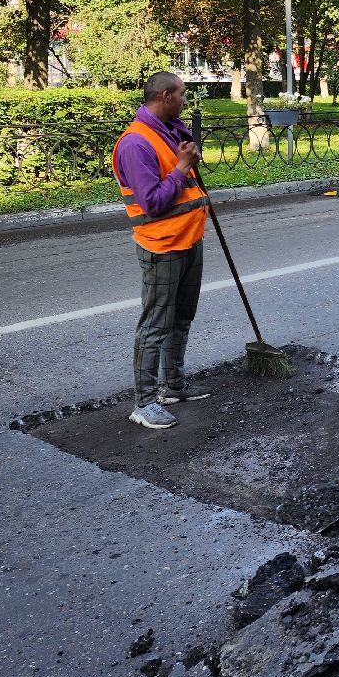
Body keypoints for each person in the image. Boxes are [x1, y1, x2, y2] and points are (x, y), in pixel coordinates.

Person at [112, 72, 209, 431]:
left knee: (182, 317)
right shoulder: (136, 143)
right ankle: (145, 402)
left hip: (188, 239)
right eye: (182, 95)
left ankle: (174, 386)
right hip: (162, 246)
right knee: (156, 325)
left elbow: (183, 176)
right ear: (166, 95)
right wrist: (182, 168)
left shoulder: (167, 132)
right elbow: (153, 202)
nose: (186, 100)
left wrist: (187, 152)